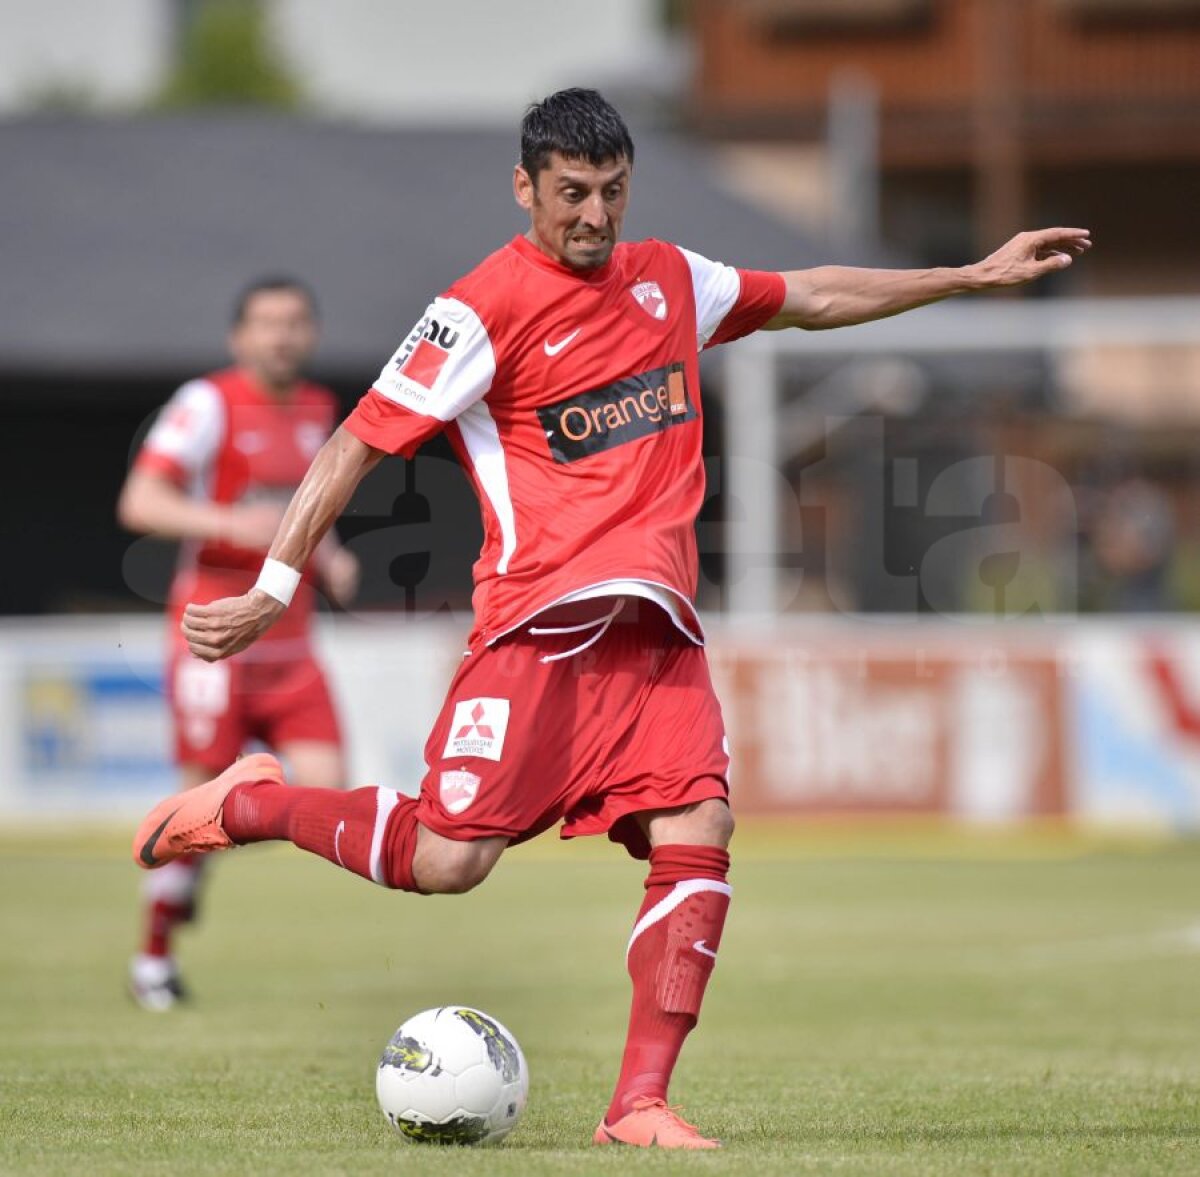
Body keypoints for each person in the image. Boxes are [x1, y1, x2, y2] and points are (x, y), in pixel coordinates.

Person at [132, 90, 1090, 1144]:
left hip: (658, 633)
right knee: (449, 860)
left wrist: (967, 275)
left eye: (614, 192)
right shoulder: (478, 309)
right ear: (526, 187)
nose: (595, 216)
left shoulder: (673, 279)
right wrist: (273, 588)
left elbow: (812, 291)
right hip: (536, 628)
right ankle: (252, 805)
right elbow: (357, 440)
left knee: (701, 829)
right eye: (574, 194)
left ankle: (638, 1103)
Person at [119, 276, 359, 1010]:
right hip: (214, 643)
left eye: (294, 322)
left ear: (311, 333)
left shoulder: (321, 409)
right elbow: (140, 500)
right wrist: (227, 525)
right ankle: (153, 960)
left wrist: (333, 553)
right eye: (266, 323)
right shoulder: (207, 403)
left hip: (292, 649)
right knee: (190, 805)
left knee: (326, 791)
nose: (281, 335)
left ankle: (199, 856)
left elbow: (307, 508)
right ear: (239, 337)